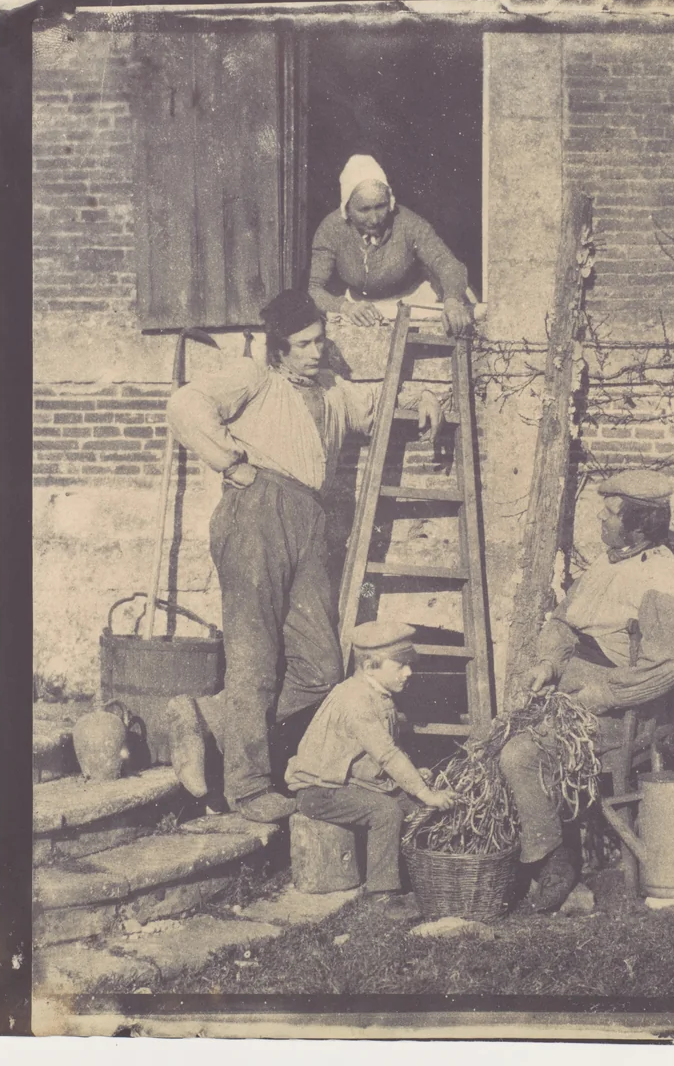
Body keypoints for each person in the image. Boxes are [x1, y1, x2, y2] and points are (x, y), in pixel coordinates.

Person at [164, 290, 445, 824]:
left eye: (320, 341)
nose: (315, 352)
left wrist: (424, 397)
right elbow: (184, 404)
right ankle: (247, 788)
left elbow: (377, 406)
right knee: (256, 659)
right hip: (256, 513)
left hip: (309, 520)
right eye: (303, 345)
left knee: (320, 666)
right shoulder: (254, 377)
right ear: (278, 350)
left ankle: (208, 716)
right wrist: (230, 463)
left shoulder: (333, 389)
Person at [500, 470, 674, 912]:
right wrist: (548, 663)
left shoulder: (659, 578)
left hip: (618, 714)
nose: (599, 520)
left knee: (520, 755)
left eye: (610, 513)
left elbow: (671, 664)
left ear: (640, 524)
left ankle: (554, 863)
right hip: (571, 692)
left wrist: (604, 695)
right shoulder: (609, 561)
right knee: (499, 735)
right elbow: (566, 622)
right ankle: (531, 852)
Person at [286, 620, 456, 916]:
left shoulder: (377, 694)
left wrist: (416, 780)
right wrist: (425, 792)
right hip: (319, 791)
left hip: (351, 784)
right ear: (369, 665)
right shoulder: (355, 700)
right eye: (400, 665)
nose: (409, 672)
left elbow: (385, 751)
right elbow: (387, 754)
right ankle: (381, 894)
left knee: (413, 807)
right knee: (386, 811)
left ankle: (426, 879)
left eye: (409, 664)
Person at [307, 154, 475, 336]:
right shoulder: (331, 230)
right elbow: (315, 290)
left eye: (380, 206)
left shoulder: (408, 223)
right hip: (360, 307)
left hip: (415, 300)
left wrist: (452, 300)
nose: (374, 219)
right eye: (364, 209)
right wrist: (345, 307)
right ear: (347, 208)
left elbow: (447, 263)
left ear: (390, 202)